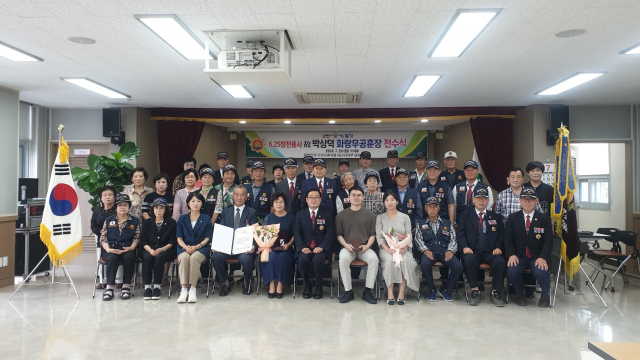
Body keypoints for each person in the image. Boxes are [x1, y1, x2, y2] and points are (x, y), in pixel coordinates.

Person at [457, 186, 506, 307]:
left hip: (491, 251)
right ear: (473, 200)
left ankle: (496, 292)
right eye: (478, 198)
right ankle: (475, 290)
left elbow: (501, 234)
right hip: (472, 250)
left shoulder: (495, 216)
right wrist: (464, 247)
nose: (481, 201)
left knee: (500, 262)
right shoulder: (466, 215)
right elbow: (460, 233)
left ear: (488, 200)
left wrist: (499, 247)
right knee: (468, 261)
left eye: (484, 198)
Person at [504, 187, 553, 308]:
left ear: (536, 201)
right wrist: (511, 254)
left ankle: (545, 296)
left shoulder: (544, 219)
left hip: (537, 256)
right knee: (512, 272)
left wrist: (543, 257)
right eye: (525, 199)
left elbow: (548, 241)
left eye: (531, 199)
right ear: (520, 201)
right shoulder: (512, 218)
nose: (527, 202)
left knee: (541, 272)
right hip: (519, 255)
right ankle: (520, 294)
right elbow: (507, 240)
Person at [335, 185, 378, 304]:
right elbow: (339, 234)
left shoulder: (370, 215)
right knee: (343, 258)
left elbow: (372, 235)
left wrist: (367, 246)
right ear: (348, 197)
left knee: (374, 259)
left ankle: (368, 291)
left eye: (359, 195)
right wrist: (346, 245)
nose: (356, 197)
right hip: (348, 247)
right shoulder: (341, 215)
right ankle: (348, 291)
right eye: (353, 195)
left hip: (364, 247)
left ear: (363, 197)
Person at [414, 197, 463, 302]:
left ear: (438, 209)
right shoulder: (420, 224)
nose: (432, 209)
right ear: (426, 209)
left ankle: (445, 288)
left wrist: (451, 250)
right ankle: (431, 289)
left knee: (458, 266)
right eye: (430, 207)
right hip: (428, 251)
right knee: (425, 264)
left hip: (444, 252)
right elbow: (418, 239)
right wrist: (425, 250)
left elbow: (453, 239)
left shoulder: (447, 223)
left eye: (434, 207)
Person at [212, 186, 259, 296]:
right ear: (232, 196)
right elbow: (222, 230)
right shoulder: (225, 211)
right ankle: (225, 283)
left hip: (244, 247)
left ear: (246, 197)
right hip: (227, 246)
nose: (239, 197)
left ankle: (247, 281)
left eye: (242, 194)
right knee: (216, 257)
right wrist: (217, 244)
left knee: (247, 259)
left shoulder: (251, 212)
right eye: (236, 194)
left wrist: (253, 246)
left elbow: (254, 232)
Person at [376, 191, 420, 305]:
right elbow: (379, 237)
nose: (389, 202)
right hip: (387, 248)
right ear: (384, 203)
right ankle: (390, 292)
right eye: (387, 200)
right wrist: (387, 249)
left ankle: (401, 293)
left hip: (403, 248)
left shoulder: (405, 217)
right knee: (391, 261)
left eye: (392, 200)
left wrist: (404, 248)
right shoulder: (380, 217)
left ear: (397, 201)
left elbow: (409, 234)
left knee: (406, 261)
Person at [294, 188, 333, 300]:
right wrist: (302, 247)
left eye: (316, 197)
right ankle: (307, 286)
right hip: (305, 247)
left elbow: (329, 233)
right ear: (306, 199)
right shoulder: (300, 214)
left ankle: (318, 287)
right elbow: (297, 232)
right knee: (302, 260)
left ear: (320, 199)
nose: (313, 199)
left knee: (317, 260)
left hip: (321, 248)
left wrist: (322, 247)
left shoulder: (327, 214)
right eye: (311, 197)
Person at [419, 160, 454, 282]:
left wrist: (451, 222)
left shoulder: (445, 186)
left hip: (442, 221)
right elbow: (419, 206)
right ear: (426, 171)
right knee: (426, 248)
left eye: (435, 170)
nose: (432, 172)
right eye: (429, 170)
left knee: (443, 247)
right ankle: (425, 278)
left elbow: (450, 204)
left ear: (439, 172)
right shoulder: (421, 186)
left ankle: (444, 277)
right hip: (425, 222)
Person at [99, 194, 140, 301]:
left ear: (129, 207)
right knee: (112, 259)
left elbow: (137, 237)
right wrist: (108, 249)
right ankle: (109, 288)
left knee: (129, 257)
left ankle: (126, 287)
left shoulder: (135, 221)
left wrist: (131, 247)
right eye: (120, 205)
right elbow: (103, 237)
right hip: (110, 249)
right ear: (116, 207)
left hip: (127, 249)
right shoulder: (108, 220)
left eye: (125, 205)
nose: (123, 207)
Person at [175, 192, 212, 303]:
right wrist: (186, 247)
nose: (196, 203)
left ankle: (192, 289)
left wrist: (197, 247)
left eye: (199, 201)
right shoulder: (182, 218)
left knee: (194, 258)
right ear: (188, 203)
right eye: (193, 201)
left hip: (201, 248)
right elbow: (179, 238)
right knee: (185, 258)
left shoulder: (206, 218)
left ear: (202, 204)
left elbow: (207, 238)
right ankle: (183, 289)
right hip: (184, 247)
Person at [258, 192, 294, 299]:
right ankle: (271, 284)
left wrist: (288, 244)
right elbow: (262, 235)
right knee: (271, 257)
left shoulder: (291, 217)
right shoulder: (268, 217)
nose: (279, 204)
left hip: (285, 247)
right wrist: (265, 247)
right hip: (270, 247)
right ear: (272, 204)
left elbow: (295, 234)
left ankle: (280, 285)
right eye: (276, 202)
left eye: (281, 202)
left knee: (283, 257)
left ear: (285, 203)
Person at [140, 198, 176, 300]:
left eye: (161, 208)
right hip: (149, 249)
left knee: (159, 258)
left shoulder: (171, 222)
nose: (158, 210)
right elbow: (143, 240)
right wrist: (150, 250)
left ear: (166, 210)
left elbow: (172, 241)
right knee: (147, 258)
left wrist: (161, 249)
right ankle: (147, 287)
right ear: (152, 209)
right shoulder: (147, 222)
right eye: (156, 208)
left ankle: (157, 286)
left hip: (166, 249)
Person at [90, 185, 117, 289]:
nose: (107, 197)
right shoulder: (97, 210)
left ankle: (116, 280)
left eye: (110, 195)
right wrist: (102, 232)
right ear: (101, 198)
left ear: (114, 197)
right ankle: (102, 280)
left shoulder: (117, 210)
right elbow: (93, 225)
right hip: (102, 240)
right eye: (104, 195)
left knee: (114, 258)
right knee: (103, 258)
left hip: (115, 239)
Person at [451, 160, 493, 226]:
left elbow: (489, 207)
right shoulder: (457, 187)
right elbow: (453, 206)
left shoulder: (485, 188)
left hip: (479, 223)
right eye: (467, 170)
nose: (470, 172)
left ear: (477, 171)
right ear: (464, 172)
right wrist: (454, 222)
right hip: (461, 223)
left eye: (472, 169)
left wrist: (484, 221)